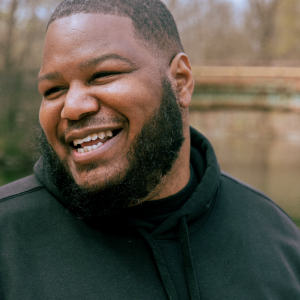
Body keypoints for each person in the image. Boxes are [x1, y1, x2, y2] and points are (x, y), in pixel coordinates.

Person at [0, 0, 300, 299]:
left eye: (103, 75)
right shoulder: (7, 240)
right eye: (53, 90)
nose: (73, 106)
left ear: (180, 82)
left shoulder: (278, 239)